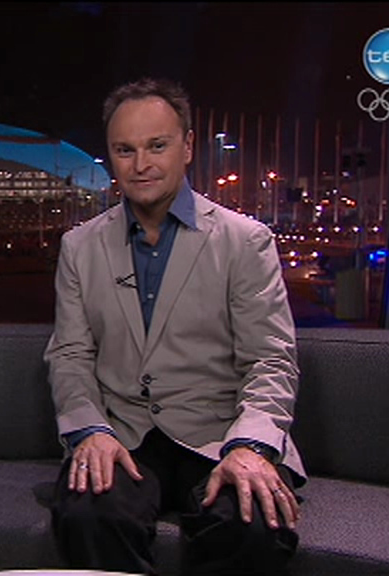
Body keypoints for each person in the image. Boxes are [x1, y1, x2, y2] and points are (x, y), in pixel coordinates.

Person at [44, 78, 305, 576]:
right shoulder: (80, 247)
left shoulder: (244, 241)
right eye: (125, 150)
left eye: (157, 146)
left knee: (252, 525)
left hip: (219, 435)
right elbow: (70, 356)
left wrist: (250, 446)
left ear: (187, 147)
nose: (140, 164)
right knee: (87, 515)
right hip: (123, 436)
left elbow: (270, 360)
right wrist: (91, 432)